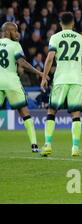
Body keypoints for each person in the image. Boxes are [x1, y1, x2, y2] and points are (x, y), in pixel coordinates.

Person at [40, 12, 82, 157]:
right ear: (73, 24)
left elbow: (50, 58)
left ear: (60, 23)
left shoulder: (55, 37)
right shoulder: (81, 38)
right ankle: (75, 147)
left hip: (60, 79)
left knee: (51, 111)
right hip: (76, 80)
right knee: (76, 114)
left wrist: (44, 77)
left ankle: (47, 145)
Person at [0, 22, 43, 152]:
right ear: (7, 32)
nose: (17, 33)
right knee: (24, 113)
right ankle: (34, 145)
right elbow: (22, 62)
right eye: (14, 31)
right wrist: (39, 72)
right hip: (11, 82)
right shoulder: (15, 45)